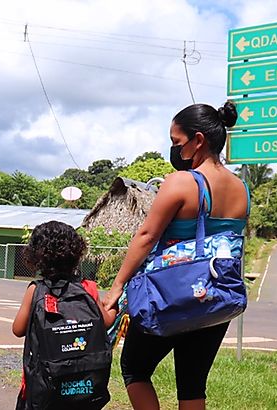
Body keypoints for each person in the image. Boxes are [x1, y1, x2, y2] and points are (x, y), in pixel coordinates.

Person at [102, 101, 250, 410]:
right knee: (193, 384)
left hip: (171, 293)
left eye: (176, 143)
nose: (175, 150)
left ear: (198, 140)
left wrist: (116, 287)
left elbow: (146, 236)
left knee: (135, 369)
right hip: (215, 295)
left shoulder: (182, 182)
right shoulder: (241, 188)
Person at [12, 220, 117, 338]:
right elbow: (106, 322)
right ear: (76, 253)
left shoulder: (35, 290)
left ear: (36, 256)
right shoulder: (87, 287)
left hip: (48, 356)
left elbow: (18, 329)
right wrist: (114, 306)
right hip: (82, 355)